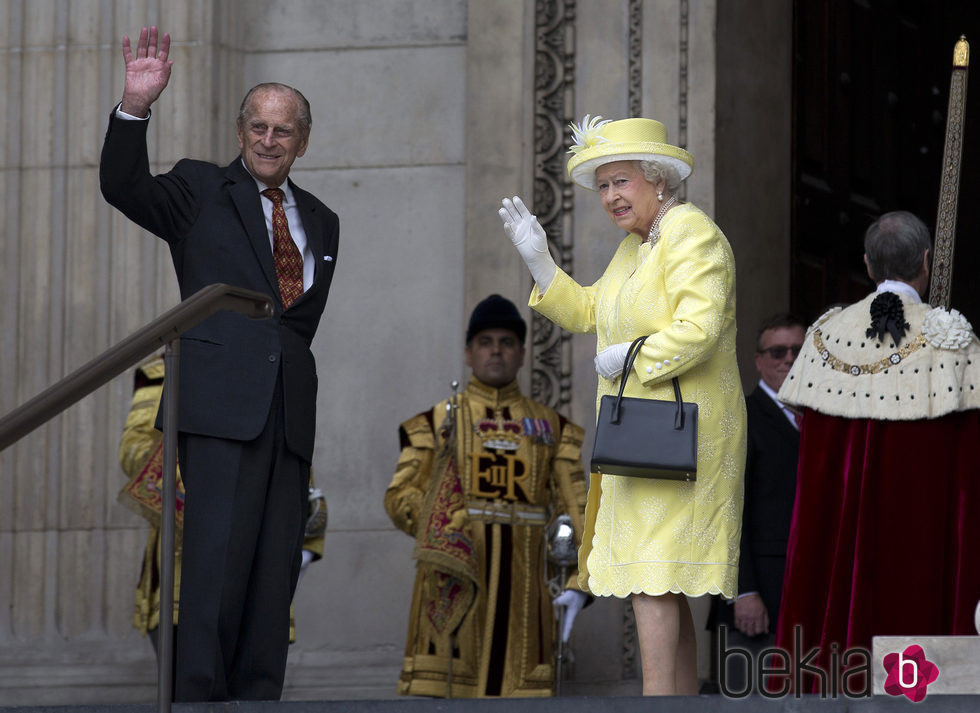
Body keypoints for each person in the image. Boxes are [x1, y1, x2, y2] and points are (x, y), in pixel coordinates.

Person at [99, 27, 340, 701]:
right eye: (258, 126)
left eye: (283, 130)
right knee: (214, 569)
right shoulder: (199, 189)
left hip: (289, 414)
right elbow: (123, 186)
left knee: (272, 579)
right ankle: (200, 698)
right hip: (219, 407)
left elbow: (297, 326)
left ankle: (258, 696)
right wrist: (134, 108)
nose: (269, 139)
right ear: (240, 131)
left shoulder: (323, 219)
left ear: (302, 141)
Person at [499, 116, 746, 695]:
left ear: (657, 180)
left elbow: (702, 327)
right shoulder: (635, 247)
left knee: (650, 577)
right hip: (644, 435)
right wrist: (541, 264)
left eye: (621, 181)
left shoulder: (690, 232)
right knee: (657, 576)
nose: (610, 196)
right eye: (602, 185)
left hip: (682, 435)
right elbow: (590, 312)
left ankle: (658, 705)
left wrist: (628, 358)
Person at [774, 210, 980, 692]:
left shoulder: (824, 335)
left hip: (835, 576)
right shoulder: (954, 340)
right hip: (921, 560)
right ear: (927, 261)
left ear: (867, 264)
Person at [385, 294, 589, 698]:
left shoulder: (554, 427)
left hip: (528, 587)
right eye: (485, 341)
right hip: (454, 580)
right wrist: (444, 527)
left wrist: (580, 581)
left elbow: (577, 509)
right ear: (468, 352)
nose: (496, 350)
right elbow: (399, 495)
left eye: (507, 342)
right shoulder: (435, 421)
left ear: (523, 354)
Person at [116, 355, 327, 655]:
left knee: (254, 687)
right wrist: (211, 468)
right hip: (184, 554)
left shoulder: (270, 362)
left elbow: (289, 452)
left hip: (259, 546)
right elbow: (134, 450)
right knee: (189, 687)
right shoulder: (166, 369)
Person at [709, 313, 806, 693]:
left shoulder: (825, 420)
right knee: (752, 699)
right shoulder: (740, 417)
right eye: (778, 351)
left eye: (798, 350)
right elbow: (727, 509)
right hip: (758, 599)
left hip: (809, 593)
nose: (788, 359)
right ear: (758, 360)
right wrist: (742, 591)